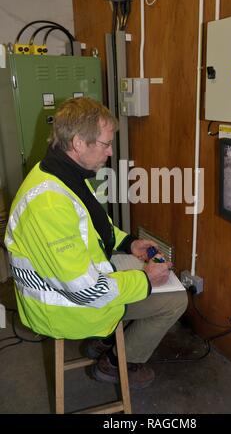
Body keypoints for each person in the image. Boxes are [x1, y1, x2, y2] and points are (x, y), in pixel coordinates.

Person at [5, 97, 187, 389]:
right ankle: (115, 364)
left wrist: (129, 244)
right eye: (105, 144)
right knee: (175, 300)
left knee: (151, 270)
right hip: (65, 307)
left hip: (76, 280)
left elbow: (94, 227)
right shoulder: (50, 203)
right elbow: (87, 291)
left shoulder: (62, 172)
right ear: (79, 143)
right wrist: (146, 281)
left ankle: (104, 343)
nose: (111, 152)